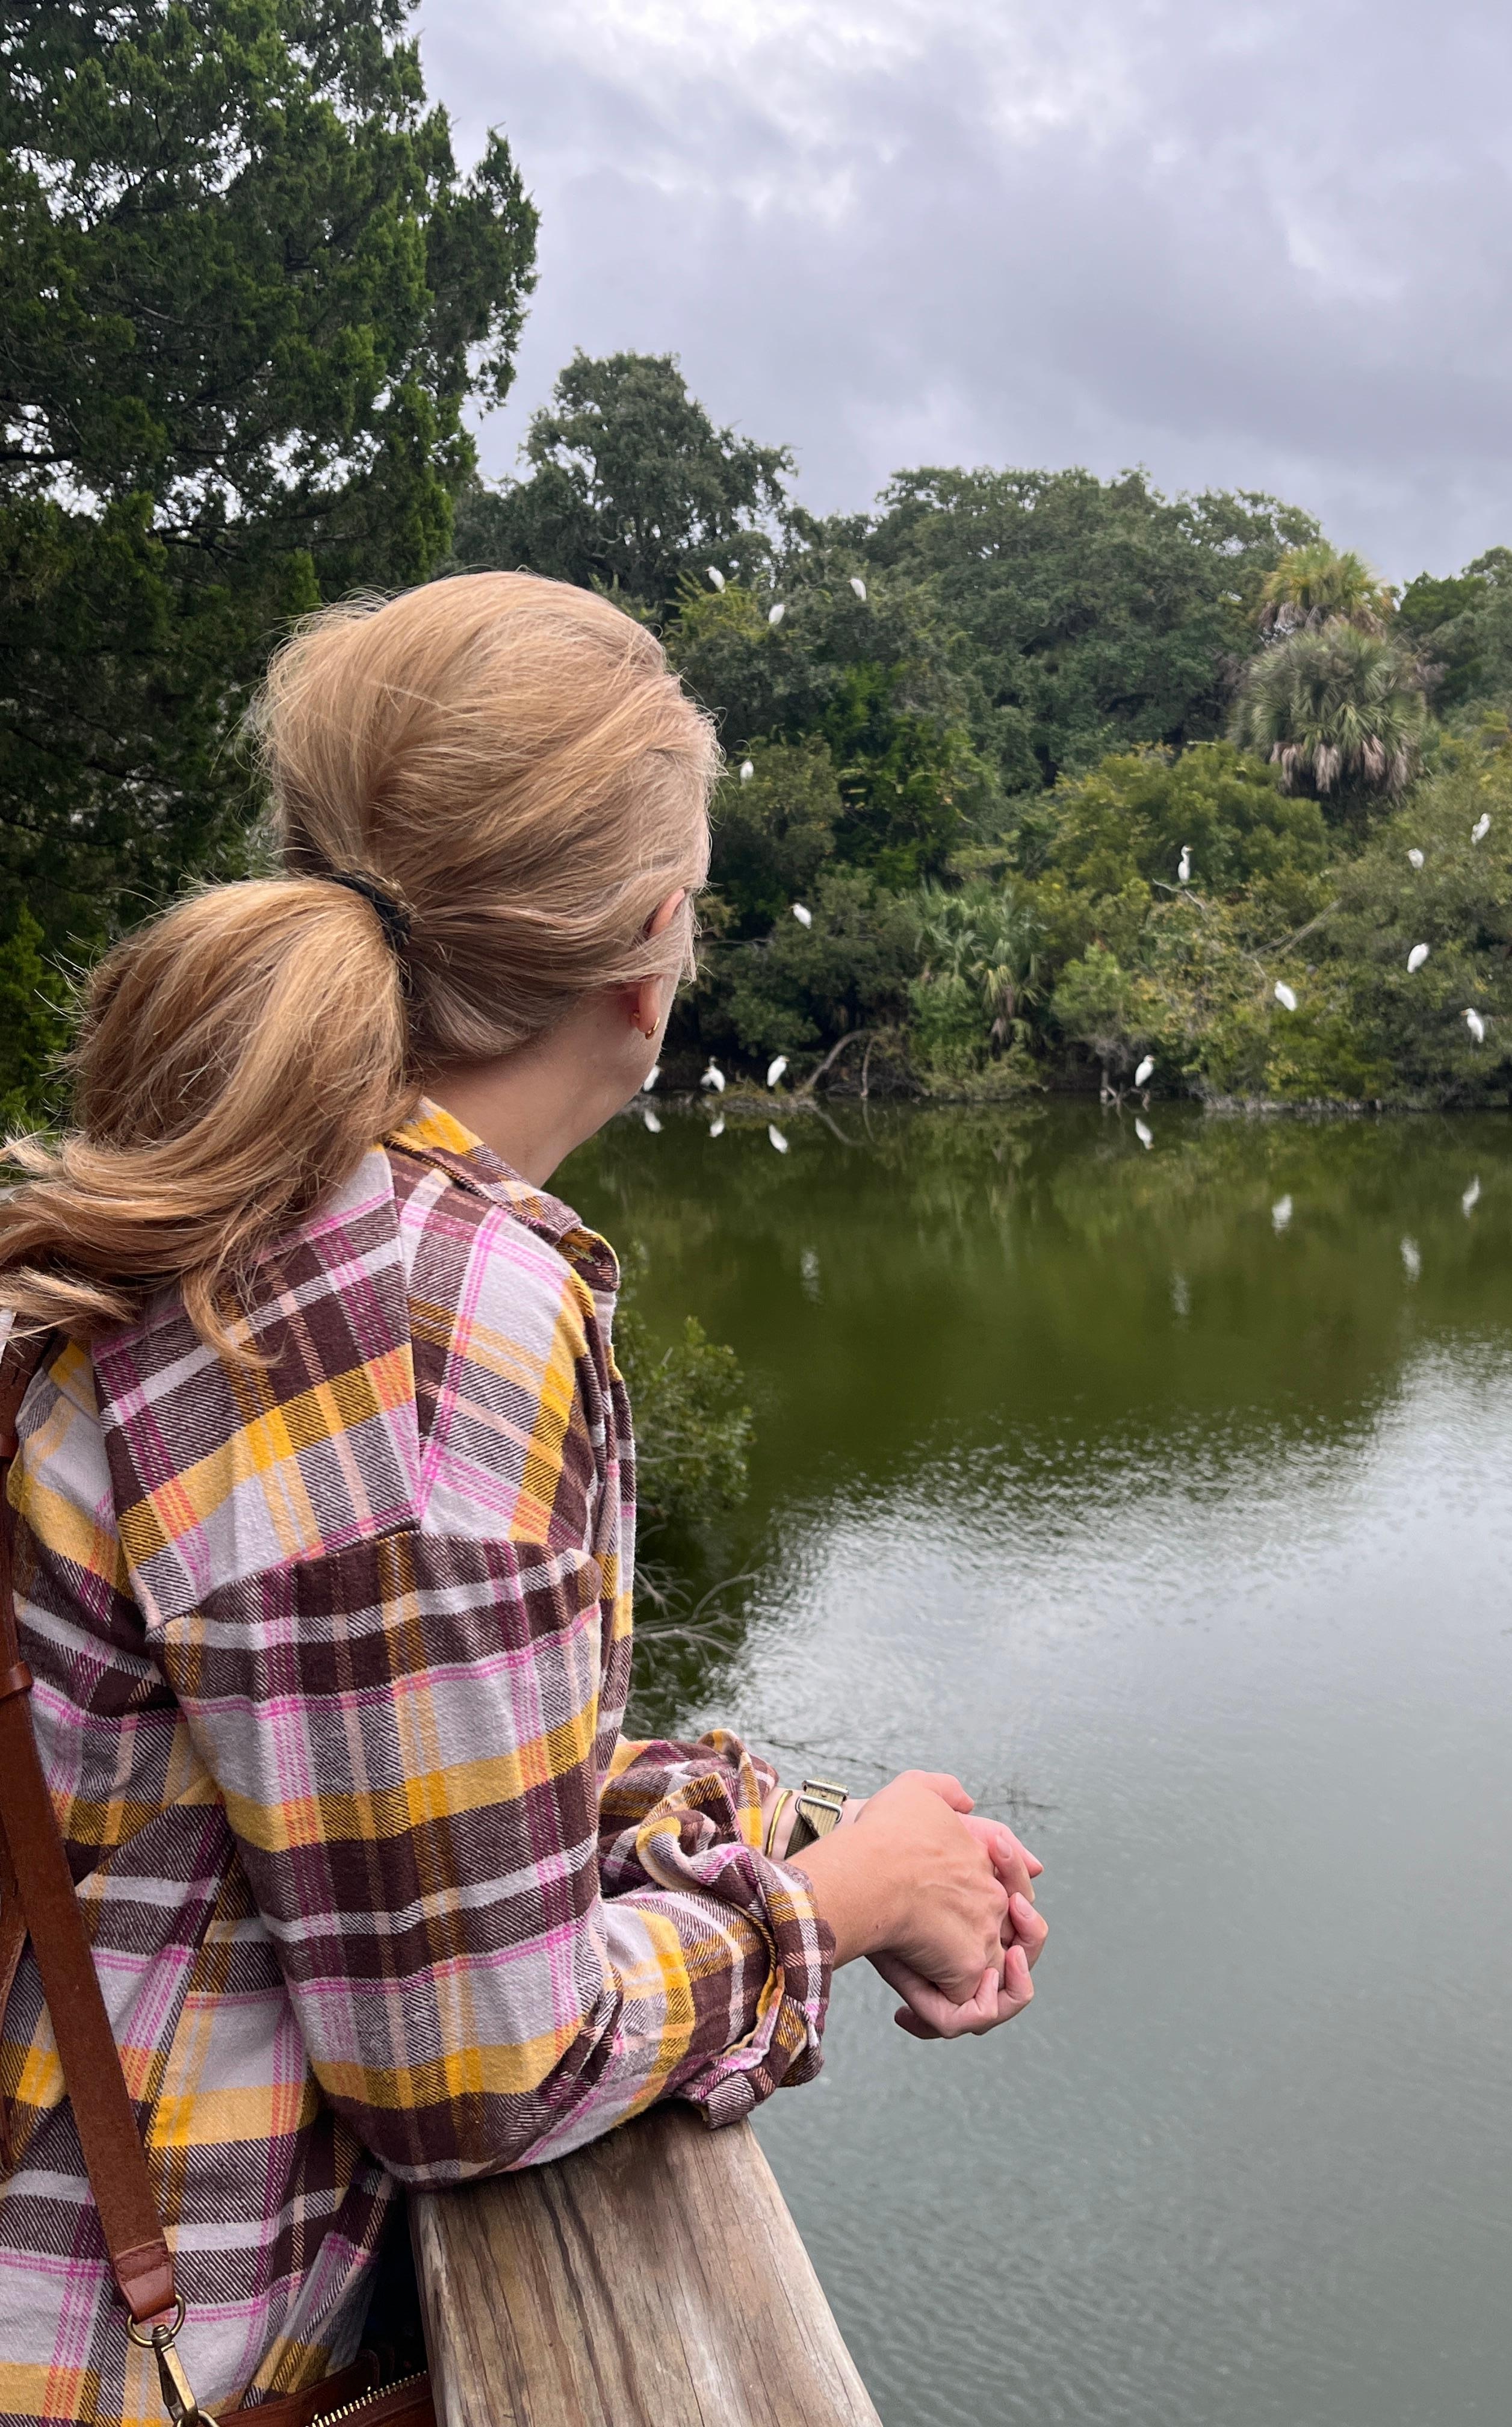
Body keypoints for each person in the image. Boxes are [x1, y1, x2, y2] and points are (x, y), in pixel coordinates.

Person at [0, 572, 1046, 2426]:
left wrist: (746, 1817)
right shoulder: (423, 1315)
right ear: (652, 957)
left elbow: (309, 1775)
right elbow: (477, 2071)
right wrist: (845, 1901)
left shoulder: (219, 1198)